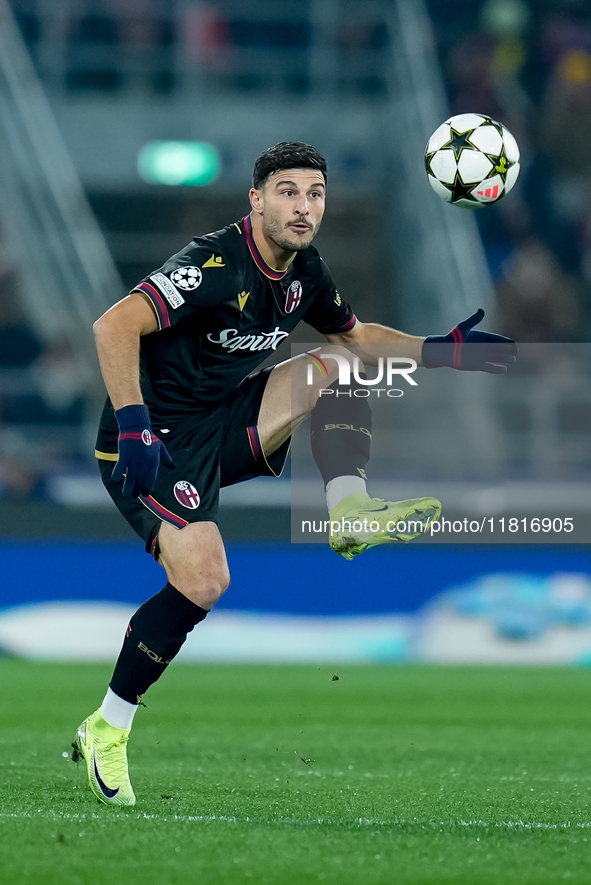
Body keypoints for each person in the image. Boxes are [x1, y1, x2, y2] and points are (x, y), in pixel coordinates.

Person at [71, 142, 516, 805]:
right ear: (255, 200)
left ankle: (348, 510)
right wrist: (133, 420)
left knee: (337, 363)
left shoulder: (305, 272)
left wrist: (440, 350)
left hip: (217, 421)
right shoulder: (213, 264)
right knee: (204, 578)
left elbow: (356, 336)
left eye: (314, 193)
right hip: (150, 436)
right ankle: (108, 724)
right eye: (287, 191)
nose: (303, 206)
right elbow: (113, 325)